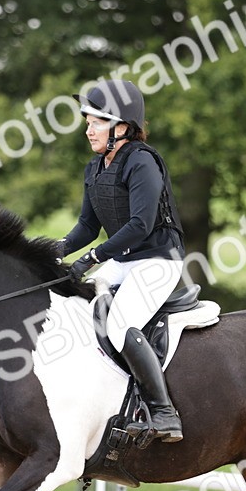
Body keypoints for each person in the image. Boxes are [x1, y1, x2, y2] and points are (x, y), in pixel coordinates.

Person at [60, 79, 186, 442]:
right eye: (87, 121)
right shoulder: (95, 167)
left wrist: (92, 258)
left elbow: (140, 225)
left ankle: (164, 414)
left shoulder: (142, 161)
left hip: (158, 259)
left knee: (120, 325)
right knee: (76, 309)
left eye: (95, 121)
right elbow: (86, 226)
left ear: (121, 126)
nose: (88, 129)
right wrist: (54, 249)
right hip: (125, 259)